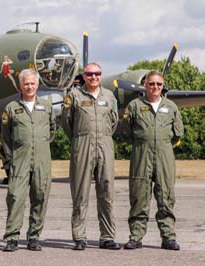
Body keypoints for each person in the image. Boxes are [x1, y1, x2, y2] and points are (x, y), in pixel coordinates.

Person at [61, 63, 120, 250]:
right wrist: (80, 138)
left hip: (105, 145)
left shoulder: (109, 96)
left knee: (107, 192)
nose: (93, 77)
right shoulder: (74, 96)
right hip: (83, 145)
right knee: (80, 193)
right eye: (89, 74)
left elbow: (114, 121)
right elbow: (66, 123)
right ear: (84, 76)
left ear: (101, 75)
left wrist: (102, 137)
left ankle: (107, 237)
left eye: (97, 73)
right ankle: (80, 236)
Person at [122, 70, 184, 250]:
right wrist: (143, 143)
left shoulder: (171, 107)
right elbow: (126, 132)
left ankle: (168, 237)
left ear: (162, 86)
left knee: (166, 197)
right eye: (151, 84)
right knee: (139, 196)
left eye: (158, 84)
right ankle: (136, 236)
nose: (155, 87)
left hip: (165, 156)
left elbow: (178, 133)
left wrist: (162, 145)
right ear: (145, 85)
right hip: (141, 155)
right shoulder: (134, 106)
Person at [1, 69, 55, 252]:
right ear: (20, 86)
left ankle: (34, 237)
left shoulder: (47, 107)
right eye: (26, 83)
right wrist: (10, 160)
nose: (29, 86)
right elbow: (5, 137)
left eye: (32, 83)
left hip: (42, 161)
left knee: (40, 197)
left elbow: (52, 131)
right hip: (19, 161)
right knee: (15, 198)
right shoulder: (11, 108)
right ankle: (12, 238)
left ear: (37, 85)